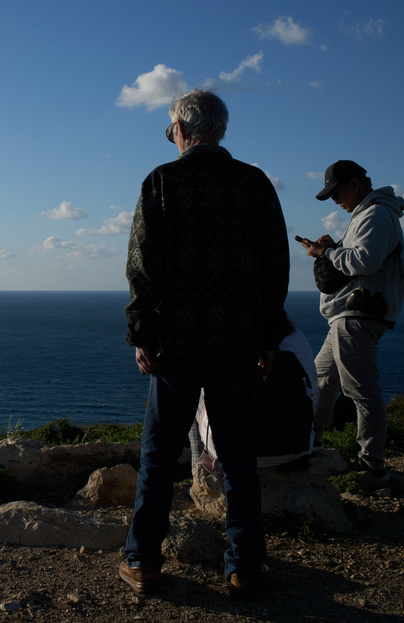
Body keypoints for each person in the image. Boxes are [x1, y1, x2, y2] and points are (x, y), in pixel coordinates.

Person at [121, 89, 289, 600]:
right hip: (237, 343)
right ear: (219, 129)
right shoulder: (254, 184)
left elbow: (142, 265)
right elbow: (274, 264)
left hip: (177, 344)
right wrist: (267, 334)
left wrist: (142, 333)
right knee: (239, 458)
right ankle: (244, 568)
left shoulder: (163, 182)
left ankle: (144, 563)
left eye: (169, 127)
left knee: (158, 456)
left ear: (181, 127)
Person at [298, 160, 404, 482]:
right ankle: (310, 446)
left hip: (357, 317)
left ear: (354, 184)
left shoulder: (375, 214)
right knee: (320, 382)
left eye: (337, 192)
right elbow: (360, 257)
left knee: (361, 391)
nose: (335, 200)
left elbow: (365, 259)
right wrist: (334, 249)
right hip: (348, 317)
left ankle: (372, 466)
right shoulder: (367, 214)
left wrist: (325, 254)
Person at [192, 317, 317, 473]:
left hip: (234, 454)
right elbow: (312, 393)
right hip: (296, 448)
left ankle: (199, 466)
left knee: (197, 393)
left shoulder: (230, 336)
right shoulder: (296, 336)